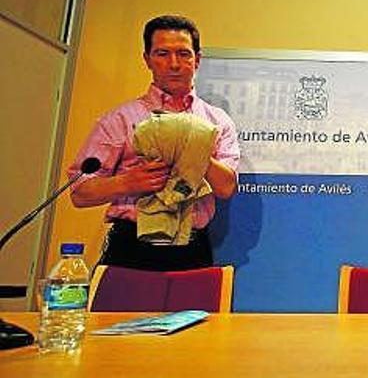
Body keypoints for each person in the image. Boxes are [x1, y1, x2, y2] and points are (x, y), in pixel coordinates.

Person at [68, 15, 240, 271]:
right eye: (162, 53)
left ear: (198, 60)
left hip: (192, 250)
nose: (174, 64)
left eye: (183, 53)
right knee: (120, 314)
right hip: (130, 248)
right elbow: (79, 193)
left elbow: (226, 188)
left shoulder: (217, 121)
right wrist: (128, 182)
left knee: (195, 313)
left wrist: (194, 145)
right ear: (147, 59)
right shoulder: (119, 119)